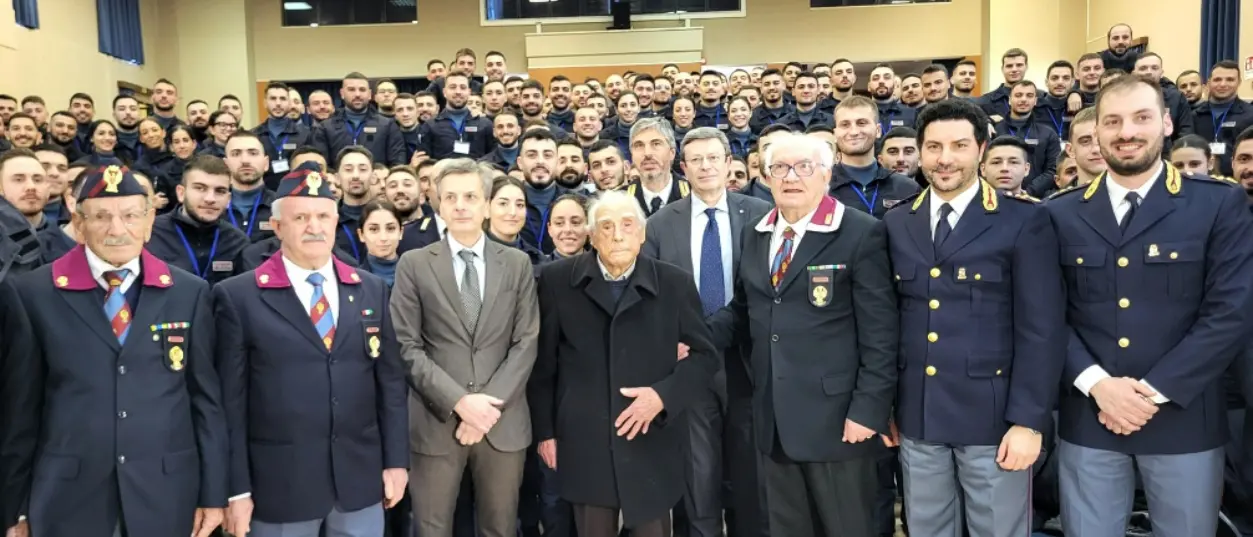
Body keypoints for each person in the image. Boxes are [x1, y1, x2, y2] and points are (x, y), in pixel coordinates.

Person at [1045, 75, 1253, 537]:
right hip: (1089, 415)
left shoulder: (1218, 204)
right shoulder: (1058, 213)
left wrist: (1150, 393)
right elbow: (1046, 316)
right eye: (1112, 121)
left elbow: (1230, 313)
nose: (1126, 132)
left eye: (1141, 118)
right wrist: (1099, 386)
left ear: (1165, 122)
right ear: (1095, 134)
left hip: (1183, 418)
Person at [0, 162, 228, 537]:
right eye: (102, 216)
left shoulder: (189, 292)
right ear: (79, 222)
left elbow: (205, 402)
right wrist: (15, 507)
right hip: (66, 496)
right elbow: (20, 412)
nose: (117, 229)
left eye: (130, 216)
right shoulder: (32, 294)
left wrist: (214, 492)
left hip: (167, 492)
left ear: (149, 221)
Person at [883, 97, 1064, 537]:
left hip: (994, 420)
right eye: (934, 147)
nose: (945, 159)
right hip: (918, 415)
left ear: (981, 149)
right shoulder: (896, 222)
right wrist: (887, 404)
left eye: (959, 145)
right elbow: (889, 322)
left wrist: (1029, 421)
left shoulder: (1022, 220)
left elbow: (1043, 329)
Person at [707, 132, 897, 537]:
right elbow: (744, 312)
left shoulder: (860, 232)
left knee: (847, 528)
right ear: (766, 176)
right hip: (773, 419)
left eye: (804, 167)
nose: (790, 176)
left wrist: (869, 410)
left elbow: (881, 335)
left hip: (839, 422)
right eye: (779, 168)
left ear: (827, 174)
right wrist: (691, 335)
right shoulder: (756, 233)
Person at [213, 161, 409, 537]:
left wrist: (396, 462)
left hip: (359, 480)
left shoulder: (370, 288)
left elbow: (390, 385)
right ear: (277, 226)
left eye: (323, 216)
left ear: (337, 222)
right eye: (300, 217)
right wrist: (235, 487)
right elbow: (229, 404)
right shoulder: (238, 296)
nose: (314, 227)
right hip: (279, 488)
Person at [530, 189, 719, 537]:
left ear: (642, 233)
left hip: (651, 438)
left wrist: (662, 397)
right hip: (584, 440)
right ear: (591, 235)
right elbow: (544, 367)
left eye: (627, 224)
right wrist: (546, 432)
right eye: (606, 226)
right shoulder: (557, 281)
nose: (617, 234)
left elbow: (705, 357)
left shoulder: (674, 282)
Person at [389, 158, 539, 537]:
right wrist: (461, 402)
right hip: (436, 421)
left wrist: (487, 407)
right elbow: (406, 345)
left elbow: (525, 341)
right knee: (431, 528)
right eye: (450, 197)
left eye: (470, 196)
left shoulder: (518, 264)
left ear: (487, 204)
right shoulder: (414, 263)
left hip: (500, 423)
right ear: (437, 204)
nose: (460, 205)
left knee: (500, 529)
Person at [640, 127, 772, 537]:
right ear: (683, 168)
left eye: (713, 157)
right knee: (700, 479)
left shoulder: (761, 214)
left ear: (729, 162)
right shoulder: (660, 224)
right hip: (690, 364)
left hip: (749, 362)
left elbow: (765, 287)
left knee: (751, 477)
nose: (705, 166)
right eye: (695, 159)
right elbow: (650, 292)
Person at [145, 155, 250, 285]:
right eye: (200, 188)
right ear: (181, 193)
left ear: (228, 199)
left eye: (220, 191)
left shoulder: (237, 242)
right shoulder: (151, 233)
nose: (210, 198)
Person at [830, 96, 919, 218]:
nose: (854, 132)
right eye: (845, 125)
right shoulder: (820, 188)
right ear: (835, 134)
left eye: (861, 123)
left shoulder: (907, 188)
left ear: (878, 130)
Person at [312, 73, 406, 168]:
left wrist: (384, 172)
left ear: (369, 94)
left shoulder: (388, 125)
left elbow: (398, 162)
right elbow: (320, 165)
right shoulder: (325, 127)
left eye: (362, 90)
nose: (357, 94)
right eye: (351, 90)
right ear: (342, 93)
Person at [623, 118, 690, 217]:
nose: (647, 153)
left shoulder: (693, 194)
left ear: (672, 153)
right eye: (639, 145)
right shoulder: (621, 199)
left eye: (656, 144)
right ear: (632, 154)